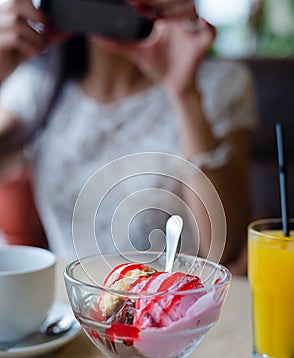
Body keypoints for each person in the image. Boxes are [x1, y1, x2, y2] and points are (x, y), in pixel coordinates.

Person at [0, 0, 257, 273]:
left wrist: (184, 93)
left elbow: (224, 250)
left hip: (172, 309)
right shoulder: (39, 86)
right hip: (76, 305)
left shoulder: (219, 83)